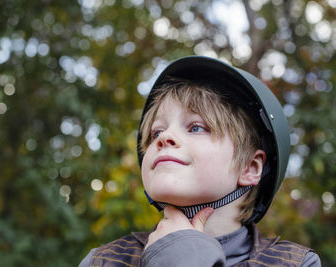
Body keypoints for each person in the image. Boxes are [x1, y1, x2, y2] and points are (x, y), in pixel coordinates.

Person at [79, 56, 321, 266]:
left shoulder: (294, 263)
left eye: (195, 128)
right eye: (156, 133)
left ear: (250, 167)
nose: (165, 137)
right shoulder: (104, 261)